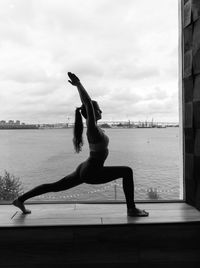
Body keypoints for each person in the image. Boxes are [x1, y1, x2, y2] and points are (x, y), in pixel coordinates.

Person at [13, 72, 149, 217]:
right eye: (99, 109)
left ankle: (20, 200)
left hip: (85, 168)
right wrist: (79, 85)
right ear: (93, 113)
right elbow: (88, 103)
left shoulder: (95, 128)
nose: (101, 111)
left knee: (55, 186)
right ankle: (131, 209)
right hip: (92, 171)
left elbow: (89, 106)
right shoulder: (92, 128)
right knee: (127, 171)